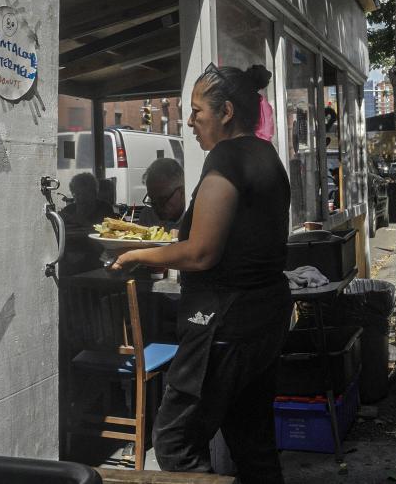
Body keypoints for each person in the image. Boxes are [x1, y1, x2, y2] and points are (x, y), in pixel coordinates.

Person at [112, 63, 292, 482]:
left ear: (226, 111)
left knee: (176, 443)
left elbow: (202, 253)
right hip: (264, 316)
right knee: (254, 443)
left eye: (197, 112)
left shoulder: (227, 158)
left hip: (224, 324)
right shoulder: (267, 155)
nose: (189, 121)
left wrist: (138, 255)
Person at [136, 158, 185, 231]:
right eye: (152, 200)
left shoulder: (196, 218)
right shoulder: (148, 215)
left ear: (182, 192)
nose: (157, 208)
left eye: (162, 200)